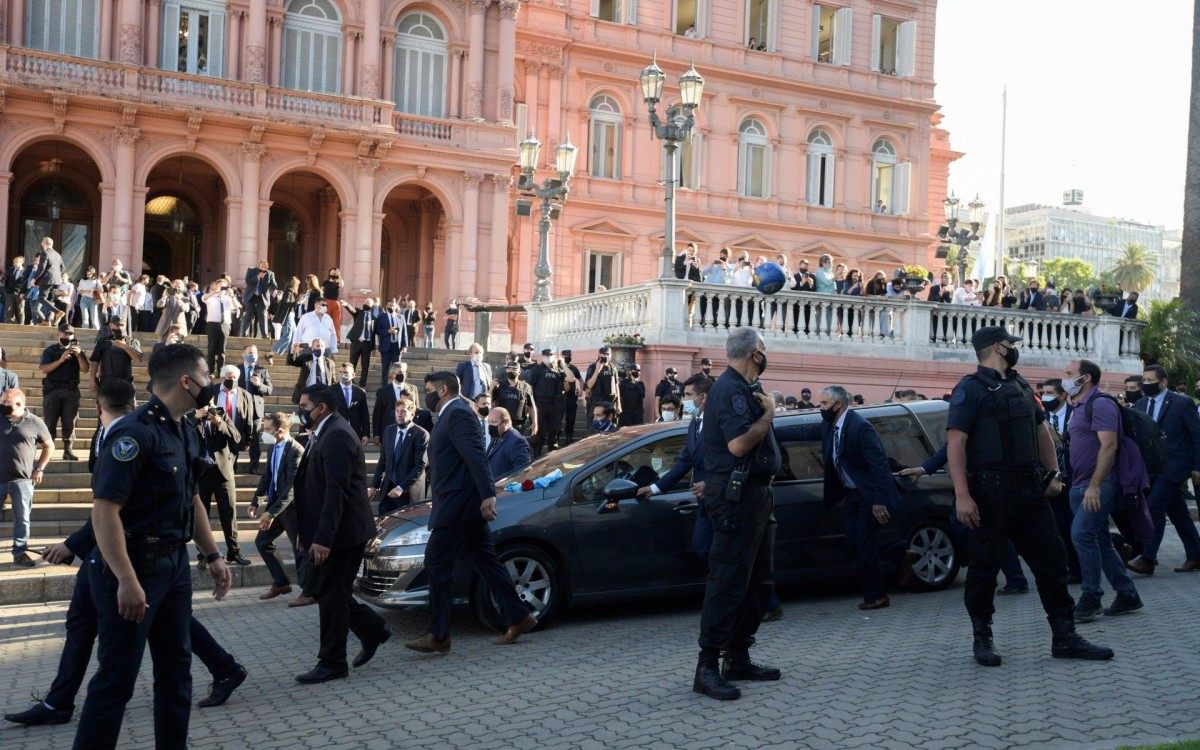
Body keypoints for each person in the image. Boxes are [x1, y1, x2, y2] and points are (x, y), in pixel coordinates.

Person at [4, 380, 245, 728]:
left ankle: (224, 666)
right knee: (82, 624)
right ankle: (59, 701)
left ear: (96, 407)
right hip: (104, 551)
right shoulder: (111, 435)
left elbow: (118, 508)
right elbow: (105, 503)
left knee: (153, 632)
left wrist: (73, 544)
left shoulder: (141, 436)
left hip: (132, 554)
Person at [71, 344, 232, 748]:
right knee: (116, 680)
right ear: (186, 381)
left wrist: (212, 554)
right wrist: (126, 580)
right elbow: (104, 511)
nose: (210, 384)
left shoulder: (185, 429)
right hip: (132, 566)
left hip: (174, 566)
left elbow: (191, 498)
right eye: (206, 377)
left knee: (176, 673)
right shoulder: (134, 433)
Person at [945, 327, 1112, 667]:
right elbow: (956, 443)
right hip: (989, 495)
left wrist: (1053, 474)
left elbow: (1042, 431)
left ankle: (1064, 636)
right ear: (997, 347)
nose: (1014, 348)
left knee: (1053, 563)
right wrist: (962, 495)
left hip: (1028, 492)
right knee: (984, 570)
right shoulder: (970, 388)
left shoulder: (1020, 384)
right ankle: (982, 638)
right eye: (1010, 344)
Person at [405, 372, 537, 654]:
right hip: (458, 503)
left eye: (428, 389)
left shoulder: (458, 414)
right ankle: (519, 616)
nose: (425, 394)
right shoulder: (451, 413)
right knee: (487, 563)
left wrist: (488, 494)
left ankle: (439, 634)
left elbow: (476, 455)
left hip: (458, 505)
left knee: (436, 563)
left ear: (442, 389)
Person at [691, 327, 780, 701]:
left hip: (756, 497)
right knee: (727, 582)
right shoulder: (730, 390)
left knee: (758, 584)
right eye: (765, 349)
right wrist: (769, 414)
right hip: (735, 499)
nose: (766, 354)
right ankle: (707, 667)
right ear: (756, 353)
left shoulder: (746, 388)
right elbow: (739, 445)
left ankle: (738, 657)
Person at [292, 384, 391, 683]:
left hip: (343, 533)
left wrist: (322, 539)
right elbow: (313, 488)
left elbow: (336, 494)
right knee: (331, 592)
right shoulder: (324, 431)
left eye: (305, 406)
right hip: (331, 530)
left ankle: (333, 662)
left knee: (331, 596)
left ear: (321, 408)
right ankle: (373, 630)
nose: (301, 411)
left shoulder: (337, 435)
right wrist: (307, 532)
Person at [782, 385, 900, 609]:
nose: (821, 407)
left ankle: (877, 596)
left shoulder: (860, 427)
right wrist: (769, 429)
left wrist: (878, 501)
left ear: (838, 405)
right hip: (853, 494)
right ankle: (902, 555)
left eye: (824, 403)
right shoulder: (830, 425)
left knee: (864, 543)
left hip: (869, 495)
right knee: (852, 539)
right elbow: (803, 432)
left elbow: (879, 465)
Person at [1062, 359, 1144, 619]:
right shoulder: (1079, 405)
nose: (1065, 378)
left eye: (1069, 374)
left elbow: (1109, 446)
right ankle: (1127, 594)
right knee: (1100, 539)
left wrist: (1095, 486)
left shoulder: (1100, 403)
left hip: (1100, 483)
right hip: (1079, 483)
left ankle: (1092, 596)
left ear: (1085, 378)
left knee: (1081, 534)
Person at [1126, 365, 1200, 574]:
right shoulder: (1139, 404)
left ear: (1164, 382)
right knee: (1179, 514)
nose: (1146, 384)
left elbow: (1197, 436)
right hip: (1151, 470)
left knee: (1153, 508)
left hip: (1174, 467)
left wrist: (1197, 466)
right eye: (1144, 380)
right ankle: (1196, 555)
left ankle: (1148, 558)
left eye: (1150, 380)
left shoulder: (1182, 403)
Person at [251, 412, 307, 601]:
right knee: (262, 542)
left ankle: (308, 592)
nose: (264, 433)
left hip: (292, 508)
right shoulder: (273, 447)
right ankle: (281, 582)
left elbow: (291, 487)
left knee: (299, 548)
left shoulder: (296, 450)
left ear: (280, 431)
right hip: (276, 504)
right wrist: (256, 500)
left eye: (268, 429)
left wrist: (270, 513)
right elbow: (268, 476)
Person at [196, 376, 249, 567]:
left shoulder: (222, 414)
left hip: (222, 473)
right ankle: (204, 555)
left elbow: (237, 437)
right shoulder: (191, 417)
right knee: (201, 517)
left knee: (229, 513)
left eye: (210, 401)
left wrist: (220, 423)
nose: (208, 406)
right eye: (204, 402)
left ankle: (234, 552)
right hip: (201, 474)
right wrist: (195, 418)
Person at [0, 389, 52, 567]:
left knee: (22, 519)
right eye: (1, 401)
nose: (2, 405)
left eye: (6, 403)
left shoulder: (34, 422)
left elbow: (49, 446)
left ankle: (20, 552)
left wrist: (40, 468)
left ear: (20, 404)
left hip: (22, 480)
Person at [370, 398, 429, 515]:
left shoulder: (421, 434)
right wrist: (373, 486)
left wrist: (401, 487)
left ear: (412, 414)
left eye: (403, 411)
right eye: (397, 411)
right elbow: (383, 461)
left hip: (408, 491)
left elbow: (420, 465)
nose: (399, 415)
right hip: (388, 488)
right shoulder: (389, 431)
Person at [40, 325, 89, 461]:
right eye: (65, 334)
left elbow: (85, 369)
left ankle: (68, 450)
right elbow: (44, 369)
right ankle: (48, 450)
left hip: (70, 391)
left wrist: (79, 355)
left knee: (69, 422)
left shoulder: (79, 352)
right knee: (50, 422)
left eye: (70, 334)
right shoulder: (51, 350)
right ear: (59, 334)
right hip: (53, 390)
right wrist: (61, 359)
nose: (67, 336)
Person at [527, 347, 572, 456]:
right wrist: (531, 407)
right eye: (546, 355)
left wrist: (563, 365)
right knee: (538, 434)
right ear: (543, 356)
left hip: (555, 406)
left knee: (554, 433)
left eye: (551, 355)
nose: (549, 357)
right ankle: (535, 456)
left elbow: (571, 378)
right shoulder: (536, 370)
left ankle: (552, 457)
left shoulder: (558, 371)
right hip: (540, 404)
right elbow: (529, 389)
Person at [237, 345, 272, 473]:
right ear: (243, 354)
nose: (252, 355)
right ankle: (232, 465)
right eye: (250, 353)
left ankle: (254, 467)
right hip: (240, 407)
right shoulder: (237, 369)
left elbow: (269, 390)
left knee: (255, 437)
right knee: (237, 434)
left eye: (255, 353)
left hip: (256, 408)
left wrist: (259, 384)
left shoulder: (262, 370)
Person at [89, 315, 143, 388]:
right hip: (106, 383)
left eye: (122, 325)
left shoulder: (132, 341)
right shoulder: (103, 341)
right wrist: (92, 380)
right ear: (111, 325)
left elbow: (139, 360)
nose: (120, 327)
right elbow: (95, 361)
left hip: (125, 382)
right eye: (117, 325)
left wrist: (125, 346)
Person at [486, 407, 532, 479]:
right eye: (489, 422)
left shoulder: (517, 441)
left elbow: (521, 472)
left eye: (494, 422)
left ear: (506, 422)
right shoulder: (497, 435)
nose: (491, 425)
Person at [330, 362, 371, 442]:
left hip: (355, 433)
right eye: (340, 372)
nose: (342, 374)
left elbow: (364, 414)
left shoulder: (360, 392)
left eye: (345, 372)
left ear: (353, 375)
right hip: (336, 431)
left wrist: (366, 434)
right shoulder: (331, 391)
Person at [342, 297, 378, 389]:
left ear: (372, 306)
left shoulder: (374, 318)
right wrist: (346, 305)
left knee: (365, 365)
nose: (366, 303)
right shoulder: (358, 312)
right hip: (356, 342)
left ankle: (363, 384)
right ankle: (351, 381)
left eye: (368, 302)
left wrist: (373, 348)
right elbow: (352, 310)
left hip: (367, 344)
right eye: (365, 301)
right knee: (352, 363)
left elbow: (373, 334)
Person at [288, 338, 335, 404]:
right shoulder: (305, 358)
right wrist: (293, 350)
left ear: (325, 348)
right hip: (307, 393)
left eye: (322, 346)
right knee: (305, 410)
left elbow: (333, 380)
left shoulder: (330, 363)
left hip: (324, 394)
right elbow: (292, 362)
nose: (320, 348)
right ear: (312, 348)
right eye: (317, 346)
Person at [241, 260, 277, 338]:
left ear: (268, 267)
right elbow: (247, 281)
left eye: (265, 267)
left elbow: (274, 286)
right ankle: (244, 333)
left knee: (262, 315)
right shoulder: (251, 270)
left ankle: (264, 334)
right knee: (248, 314)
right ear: (259, 266)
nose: (263, 268)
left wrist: (269, 283)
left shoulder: (270, 274)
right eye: (262, 267)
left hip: (262, 297)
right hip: (251, 296)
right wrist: (258, 277)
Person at [584, 346, 622, 420]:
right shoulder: (592, 367)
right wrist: (597, 370)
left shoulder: (613, 368)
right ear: (599, 355)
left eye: (607, 354)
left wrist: (618, 405)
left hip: (610, 402)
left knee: (610, 425)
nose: (605, 356)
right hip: (596, 402)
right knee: (594, 425)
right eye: (603, 354)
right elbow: (589, 385)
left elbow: (616, 386)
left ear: (611, 355)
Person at [560, 350, 582, 444]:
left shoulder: (574, 368)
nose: (567, 357)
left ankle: (569, 435)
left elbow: (580, 379)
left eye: (569, 355)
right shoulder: (557, 367)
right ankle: (557, 434)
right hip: (560, 396)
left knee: (571, 417)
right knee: (558, 416)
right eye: (565, 355)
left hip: (572, 396)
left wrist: (581, 390)